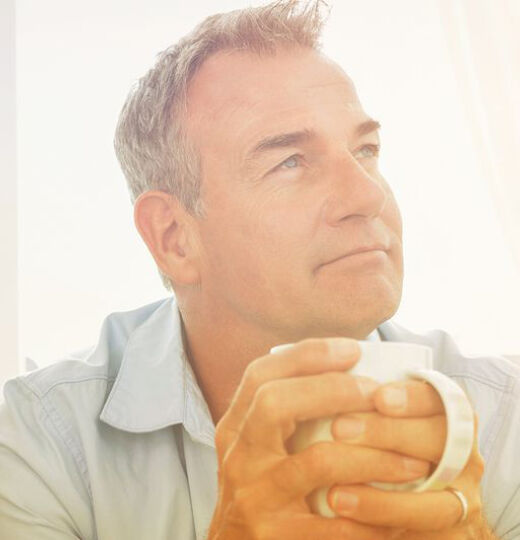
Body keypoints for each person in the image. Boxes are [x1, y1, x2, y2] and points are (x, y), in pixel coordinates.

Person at [1, 1, 519, 539]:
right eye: (289, 161)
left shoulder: (505, 417)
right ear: (174, 238)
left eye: (365, 150)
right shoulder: (43, 442)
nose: (367, 195)